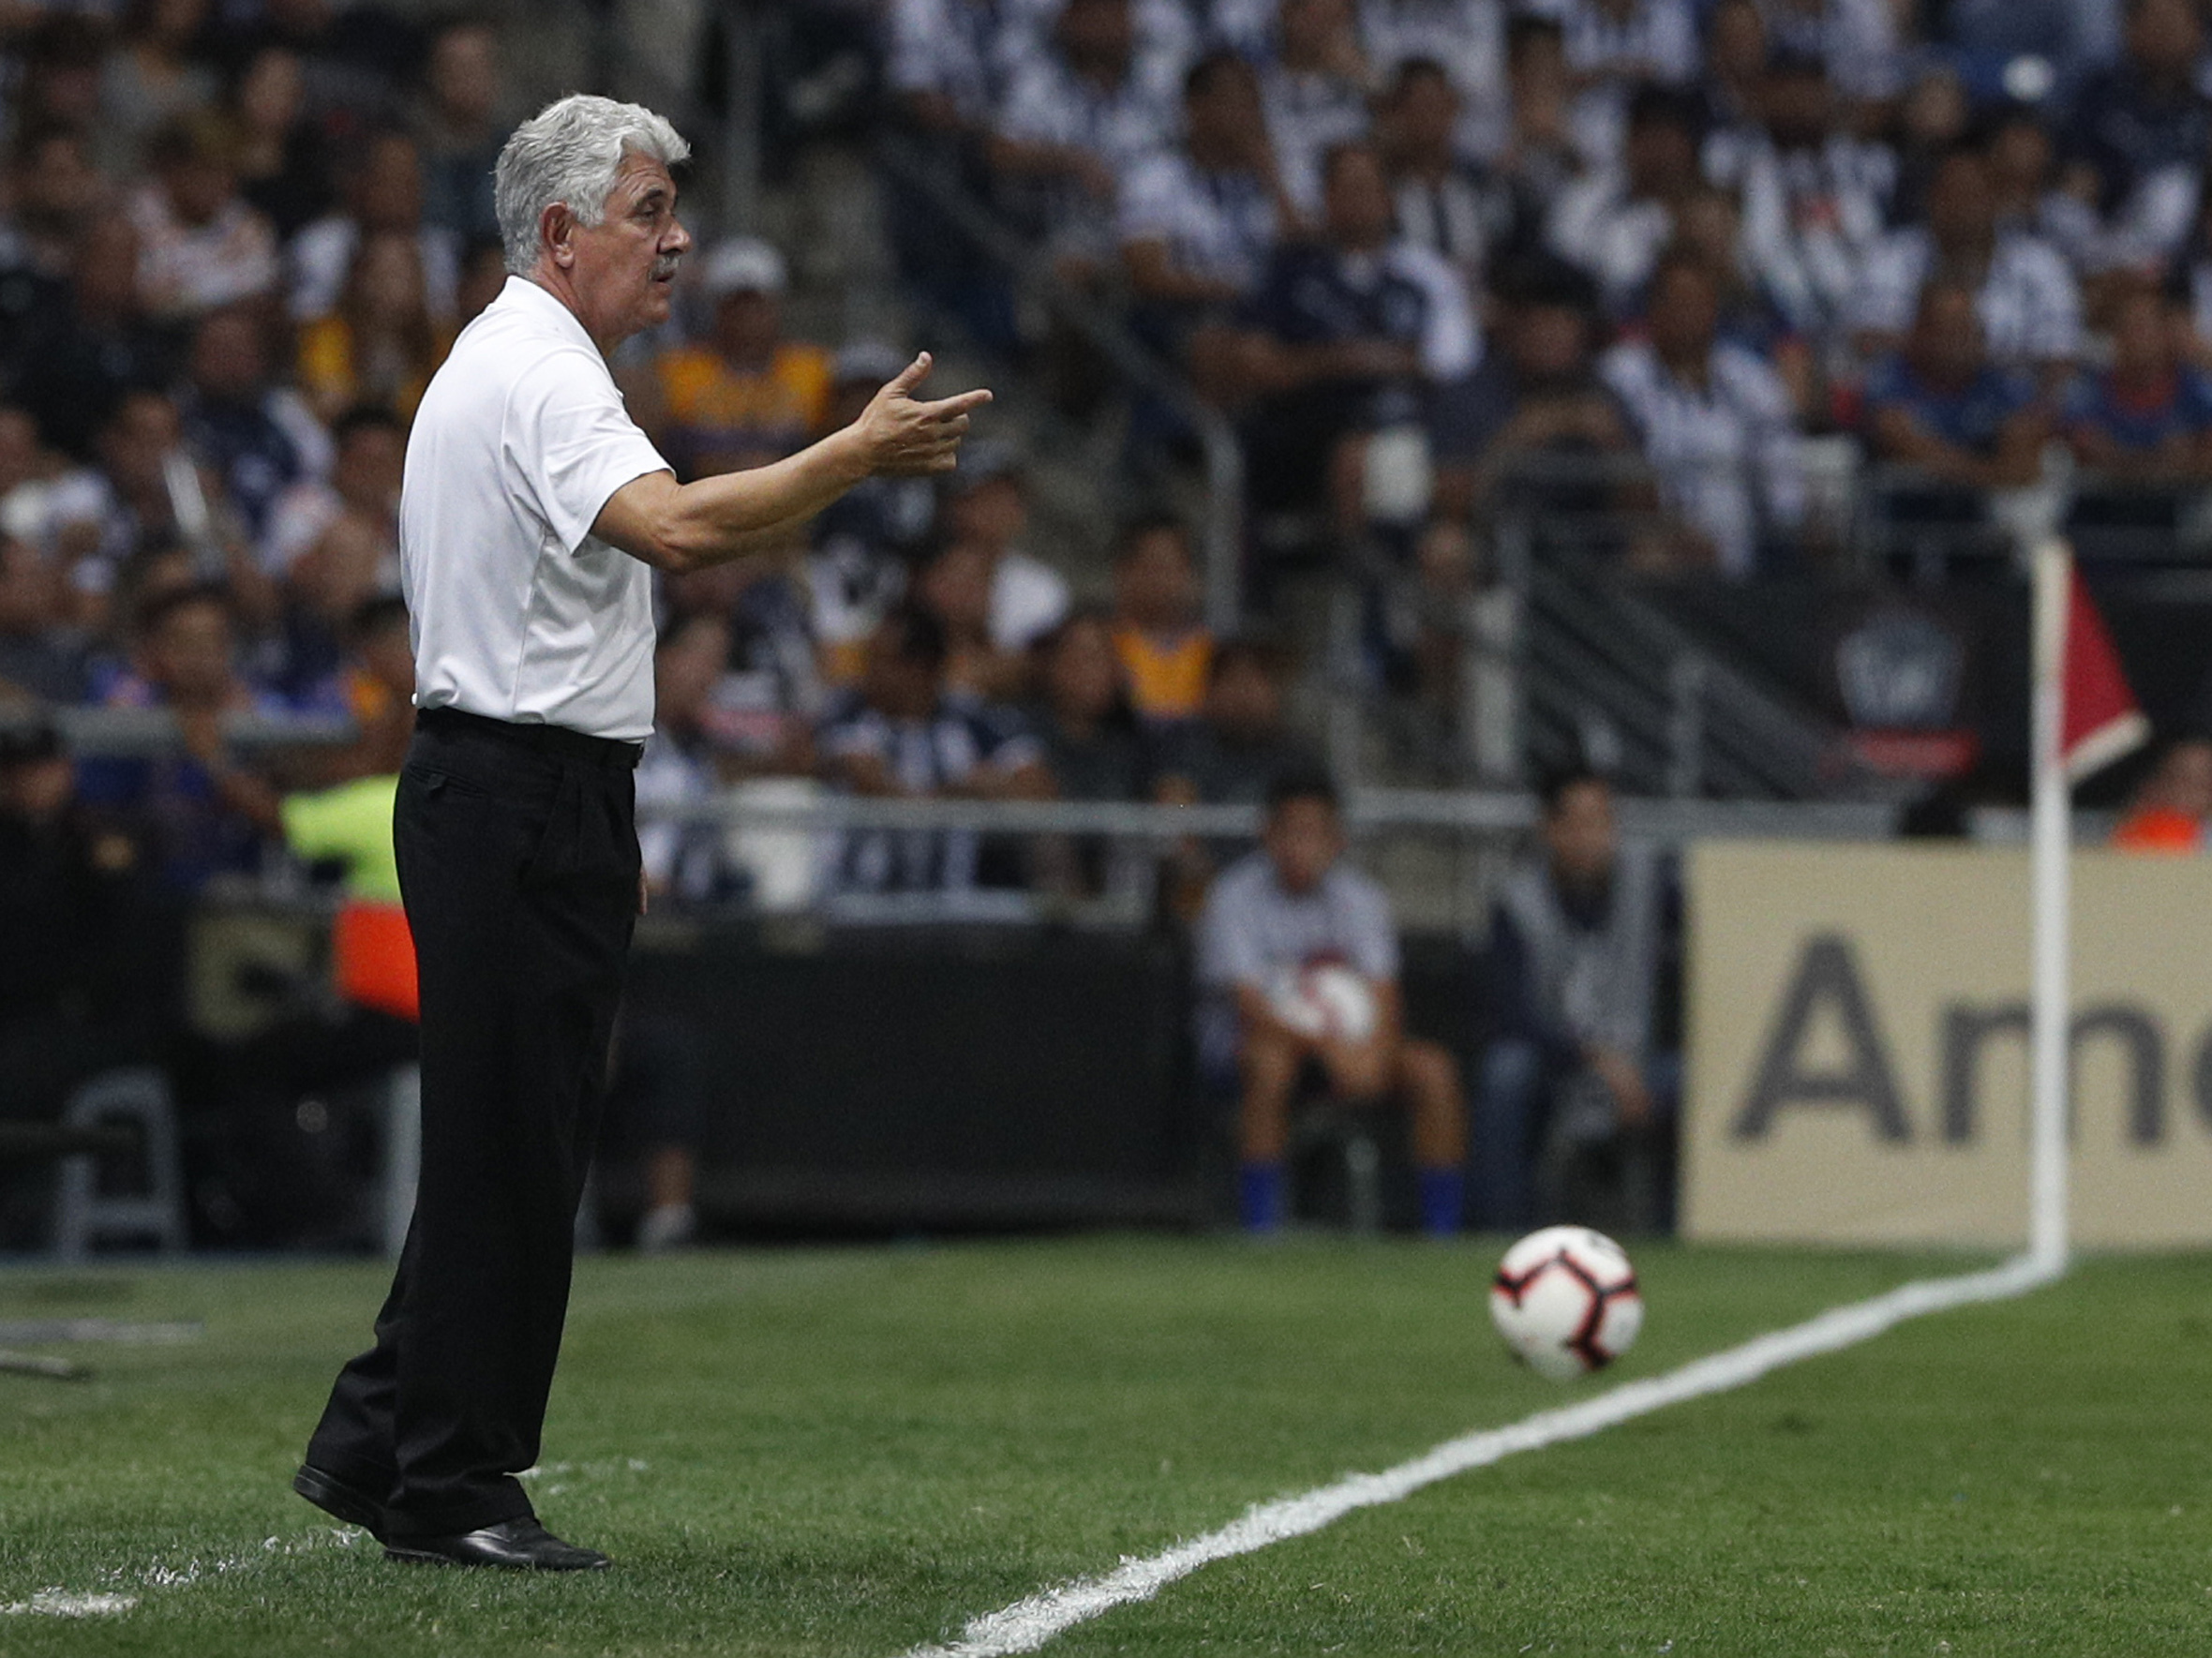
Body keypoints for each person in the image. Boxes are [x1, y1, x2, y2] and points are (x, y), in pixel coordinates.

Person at [295, 94, 989, 1571]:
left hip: (520, 785)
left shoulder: (514, 359)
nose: (675, 244)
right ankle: (454, 1483)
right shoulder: (546, 373)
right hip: (518, 789)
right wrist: (850, 458)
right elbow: (674, 528)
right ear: (559, 233)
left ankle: (378, 1441)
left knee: (512, 1133)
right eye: (647, 216)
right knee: (513, 1150)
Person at [1195, 770, 1467, 1235]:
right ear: (1268, 834)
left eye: (1316, 833)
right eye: (1291, 832)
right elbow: (1249, 1005)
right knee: (1270, 1064)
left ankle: (1443, 1231)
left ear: (1337, 839)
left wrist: (1374, 1053)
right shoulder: (1233, 896)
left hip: (1351, 1048)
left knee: (1433, 1069)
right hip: (1255, 1046)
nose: (1302, 846)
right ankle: (1262, 1228)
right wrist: (1326, 1049)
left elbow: (1383, 991)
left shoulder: (1361, 899)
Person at [1478, 766, 1675, 1232]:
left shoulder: (1654, 885)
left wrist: (1635, 1062)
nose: (1591, 837)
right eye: (1577, 823)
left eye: (1602, 822)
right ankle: (1503, 1231)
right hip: (1558, 1061)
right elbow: (1511, 1014)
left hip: (1642, 1060)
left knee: (1696, 1077)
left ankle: (1682, 1232)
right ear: (1549, 828)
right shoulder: (1517, 903)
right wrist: (1592, 1059)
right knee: (1505, 1072)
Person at [642, 237, 833, 482]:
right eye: (736, 306)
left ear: (776, 306)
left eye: (757, 305)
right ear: (717, 308)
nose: (747, 317)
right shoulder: (679, 370)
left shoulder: (812, 369)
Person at [1110, 515, 1212, 725]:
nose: (1160, 579)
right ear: (1122, 570)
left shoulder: (1212, 650)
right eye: (1151, 565)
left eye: (1171, 567)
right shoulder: (1101, 645)